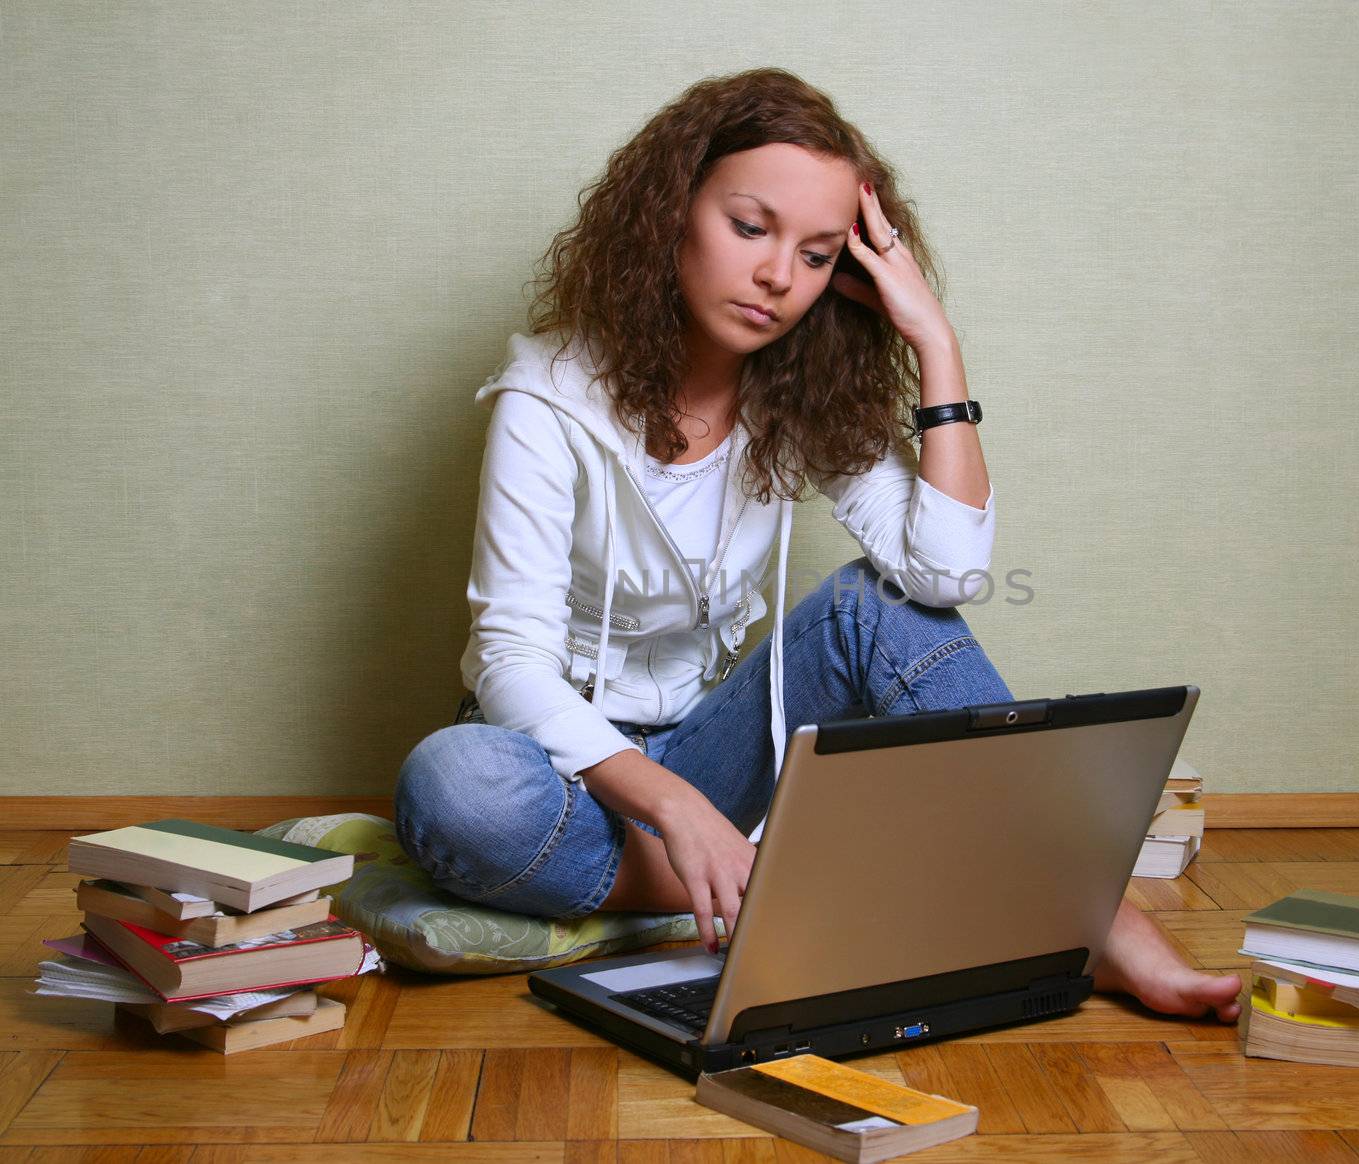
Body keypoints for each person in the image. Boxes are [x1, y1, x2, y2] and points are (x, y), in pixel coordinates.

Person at [395, 68, 1242, 1022]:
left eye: (815, 254)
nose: (776, 278)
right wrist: (682, 816)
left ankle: (1095, 917)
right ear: (669, 212)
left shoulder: (795, 398)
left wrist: (936, 344)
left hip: (715, 753)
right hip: (564, 774)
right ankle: (752, 875)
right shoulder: (545, 396)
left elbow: (946, 572)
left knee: (879, 608)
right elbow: (509, 664)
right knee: (452, 784)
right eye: (750, 228)